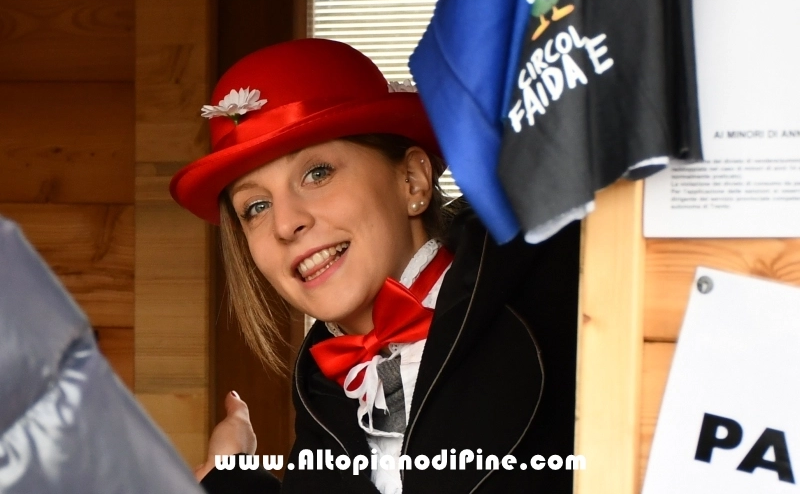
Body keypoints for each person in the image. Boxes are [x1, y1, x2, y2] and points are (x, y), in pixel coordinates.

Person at [169, 38, 580, 494]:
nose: (285, 224)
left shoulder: (557, 284)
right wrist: (230, 481)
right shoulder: (320, 397)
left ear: (412, 181)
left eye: (317, 173)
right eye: (256, 207)